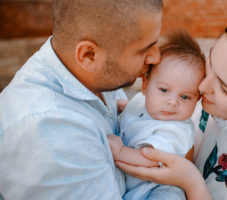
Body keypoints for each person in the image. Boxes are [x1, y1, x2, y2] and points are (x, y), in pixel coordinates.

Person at [0, 0, 186, 199]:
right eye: (144, 49)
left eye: (155, 43)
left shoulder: (96, 73)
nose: (156, 57)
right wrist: (183, 182)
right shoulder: (52, 135)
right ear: (88, 55)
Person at [114, 8, 227, 200]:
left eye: (225, 88)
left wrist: (191, 183)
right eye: (210, 65)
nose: (202, 87)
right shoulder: (204, 106)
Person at [108, 30, 205, 200]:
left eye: (185, 97)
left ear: (197, 99)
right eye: (164, 90)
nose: (172, 102)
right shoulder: (141, 101)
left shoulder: (177, 130)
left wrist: (121, 152)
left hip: (159, 187)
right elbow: (131, 108)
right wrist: (118, 107)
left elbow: (152, 159)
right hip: (133, 184)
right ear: (145, 85)